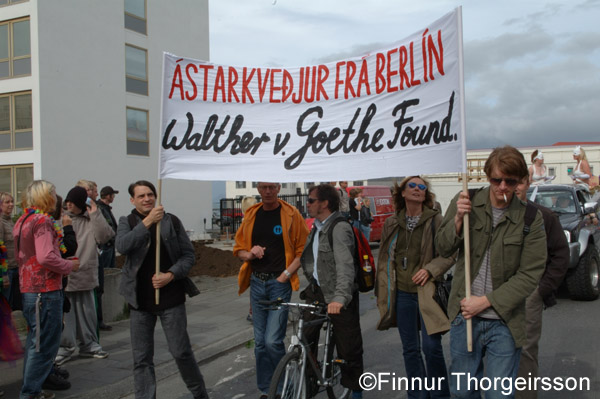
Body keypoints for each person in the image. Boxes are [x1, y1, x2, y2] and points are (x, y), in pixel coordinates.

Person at [435, 146, 547, 399]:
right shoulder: (466, 201)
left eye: (511, 181)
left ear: (520, 181)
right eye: (497, 179)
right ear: (488, 176)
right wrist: (456, 222)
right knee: (462, 392)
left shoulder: (531, 218)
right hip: (465, 319)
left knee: (499, 395)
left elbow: (530, 274)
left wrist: (485, 302)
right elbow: (442, 248)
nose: (503, 187)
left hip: (505, 322)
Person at [116, 180, 209, 399]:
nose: (147, 199)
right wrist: (147, 222)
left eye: (150, 194)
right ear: (132, 200)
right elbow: (122, 246)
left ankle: (200, 393)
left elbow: (188, 256)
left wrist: (171, 275)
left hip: (170, 298)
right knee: (142, 359)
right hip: (140, 302)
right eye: (141, 196)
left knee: (181, 352)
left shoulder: (171, 221)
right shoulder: (127, 221)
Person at [375, 176, 454, 399]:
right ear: (402, 192)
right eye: (413, 186)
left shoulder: (435, 220)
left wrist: (430, 269)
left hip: (427, 293)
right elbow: (384, 257)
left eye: (422, 187)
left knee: (431, 348)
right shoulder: (392, 222)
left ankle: (440, 395)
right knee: (410, 350)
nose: (418, 189)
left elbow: (449, 254)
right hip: (401, 294)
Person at [233, 182, 309, 398]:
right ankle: (268, 390)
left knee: (272, 341)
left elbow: (302, 251)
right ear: (258, 189)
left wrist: (285, 275)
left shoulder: (291, 214)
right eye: (264, 187)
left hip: (279, 283)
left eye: (272, 187)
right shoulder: (251, 215)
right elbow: (238, 249)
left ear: (278, 188)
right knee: (259, 343)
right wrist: (249, 254)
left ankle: (286, 386)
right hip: (257, 283)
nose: (268, 191)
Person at [13, 180, 80, 399]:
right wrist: (69, 265)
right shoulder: (41, 220)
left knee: (35, 343)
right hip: (45, 291)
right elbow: (45, 257)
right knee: (43, 347)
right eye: (52, 193)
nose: (55, 196)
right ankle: (30, 393)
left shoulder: (23, 219)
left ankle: (32, 389)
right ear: (45, 197)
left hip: (30, 290)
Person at [300, 184, 364, 398]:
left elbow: (345, 267)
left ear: (324, 203)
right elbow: (309, 258)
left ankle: (355, 392)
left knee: (349, 348)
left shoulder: (339, 228)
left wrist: (339, 298)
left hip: (339, 292)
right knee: (305, 339)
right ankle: (308, 384)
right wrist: (285, 274)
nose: (307, 204)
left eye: (310, 200)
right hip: (317, 291)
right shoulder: (317, 226)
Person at [515, 176, 569, 399]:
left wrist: (541, 290)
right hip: (494, 294)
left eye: (518, 181)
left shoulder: (543, 216)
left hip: (529, 294)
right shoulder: (492, 215)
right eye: (506, 180)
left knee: (525, 351)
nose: (512, 186)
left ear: (527, 183)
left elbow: (561, 255)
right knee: (496, 351)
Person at [55, 186, 114, 365]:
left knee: (88, 313)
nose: (69, 205)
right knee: (67, 316)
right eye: (68, 202)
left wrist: (95, 213)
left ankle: (90, 345)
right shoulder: (60, 219)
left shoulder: (90, 219)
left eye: (73, 202)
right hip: (65, 274)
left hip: (86, 273)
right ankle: (65, 347)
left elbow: (105, 236)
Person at [96, 186, 120, 331]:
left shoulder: (105, 208)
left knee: (109, 273)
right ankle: (100, 319)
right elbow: (106, 227)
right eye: (112, 195)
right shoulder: (100, 208)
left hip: (109, 246)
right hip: (105, 247)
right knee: (103, 276)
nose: (114, 198)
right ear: (108, 196)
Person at [0, 192, 19, 310]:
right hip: (6, 271)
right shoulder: (1, 222)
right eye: (7, 202)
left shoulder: (10, 221)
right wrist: (4, 275)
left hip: (14, 267)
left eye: (12, 201)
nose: (11, 204)